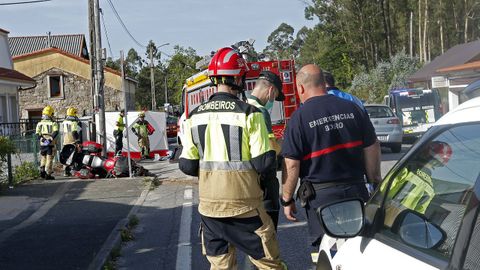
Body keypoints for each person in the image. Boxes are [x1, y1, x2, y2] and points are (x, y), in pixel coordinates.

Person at [179, 47, 285, 270]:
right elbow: (263, 164)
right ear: (239, 77)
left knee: (220, 266)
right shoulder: (250, 114)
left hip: (209, 211)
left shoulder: (193, 116)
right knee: (270, 265)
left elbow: (187, 165)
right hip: (245, 209)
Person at [281, 64, 382, 249]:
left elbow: (292, 165)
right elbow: (372, 146)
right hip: (356, 192)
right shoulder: (353, 108)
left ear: (301, 88)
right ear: (324, 83)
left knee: (328, 250)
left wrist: (287, 199)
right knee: (359, 247)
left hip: (321, 199)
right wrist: (374, 181)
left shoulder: (299, 118)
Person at [247, 70, 285, 230]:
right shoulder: (260, 111)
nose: (273, 100)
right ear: (270, 90)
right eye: (275, 96)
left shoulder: (243, 106)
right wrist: (283, 142)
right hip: (264, 186)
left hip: (248, 184)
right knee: (267, 240)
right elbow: (270, 149)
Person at [35, 105, 59, 180]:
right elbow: (55, 132)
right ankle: (48, 174)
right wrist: (50, 139)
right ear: (51, 114)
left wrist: (42, 139)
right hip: (50, 143)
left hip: (42, 143)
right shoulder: (53, 123)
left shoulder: (39, 123)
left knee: (43, 156)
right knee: (49, 158)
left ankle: (42, 168)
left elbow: (37, 133)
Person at [61, 107, 82, 176]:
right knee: (73, 156)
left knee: (66, 156)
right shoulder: (74, 122)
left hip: (65, 140)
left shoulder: (64, 122)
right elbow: (74, 133)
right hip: (72, 140)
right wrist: (78, 141)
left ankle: (66, 171)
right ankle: (72, 170)